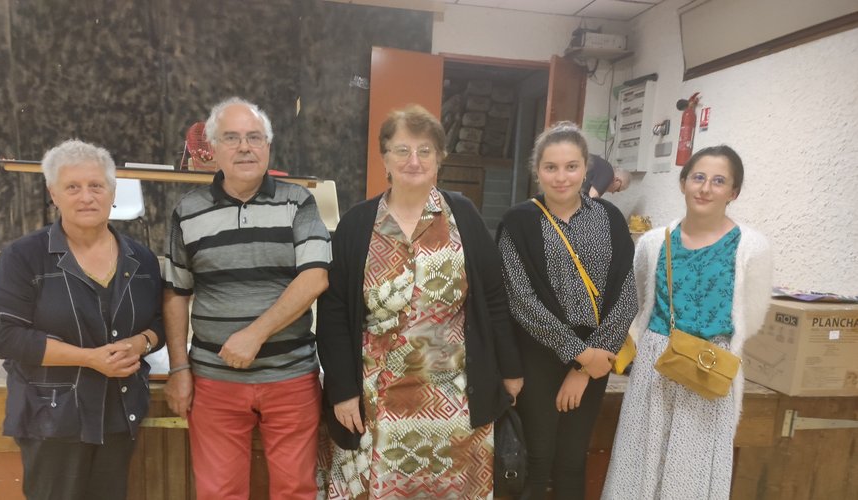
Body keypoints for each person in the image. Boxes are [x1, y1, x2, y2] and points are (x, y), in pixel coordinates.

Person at [316, 104, 524, 499]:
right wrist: (342, 389)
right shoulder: (358, 224)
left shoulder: (463, 215)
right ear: (384, 159)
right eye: (401, 150)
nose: (414, 161)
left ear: (439, 158)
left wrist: (510, 370)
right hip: (374, 398)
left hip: (454, 398)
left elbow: (494, 299)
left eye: (424, 150)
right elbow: (334, 311)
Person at [162, 97, 331, 500]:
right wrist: (178, 369)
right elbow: (175, 293)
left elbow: (315, 277)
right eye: (232, 138)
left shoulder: (298, 202)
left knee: (296, 491)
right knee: (219, 493)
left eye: (255, 137)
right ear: (213, 149)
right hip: (214, 380)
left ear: (268, 147)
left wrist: (254, 334)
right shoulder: (188, 212)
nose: (244, 147)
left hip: (290, 376)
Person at [0, 140, 164, 500]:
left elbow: (158, 321)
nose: (86, 197)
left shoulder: (141, 259)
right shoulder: (24, 256)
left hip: (119, 412)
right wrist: (89, 359)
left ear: (112, 192)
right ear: (54, 194)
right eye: (72, 187)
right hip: (52, 418)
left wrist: (140, 342)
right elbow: (3, 334)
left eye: (96, 186)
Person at [601, 145, 774, 499]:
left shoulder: (751, 247)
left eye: (718, 181)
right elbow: (638, 296)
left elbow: (752, 316)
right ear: (683, 183)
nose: (705, 188)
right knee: (638, 461)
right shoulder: (652, 243)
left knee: (691, 473)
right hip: (655, 362)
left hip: (709, 367)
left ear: (733, 192)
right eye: (698, 177)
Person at [497, 122, 638, 499]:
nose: (561, 177)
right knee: (538, 458)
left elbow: (627, 293)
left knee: (573, 460)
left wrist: (587, 364)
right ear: (537, 170)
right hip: (539, 354)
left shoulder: (608, 219)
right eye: (551, 167)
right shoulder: (518, 221)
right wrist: (578, 354)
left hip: (597, 353)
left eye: (571, 166)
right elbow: (520, 300)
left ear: (586, 168)